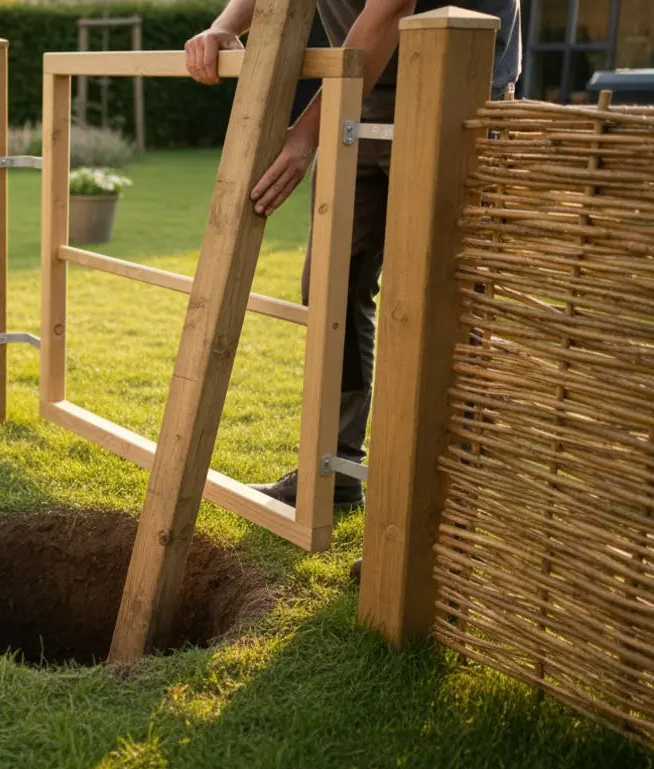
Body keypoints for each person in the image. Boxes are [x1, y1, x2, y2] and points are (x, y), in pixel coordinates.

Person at [184, 0, 522, 511]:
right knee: (330, 288)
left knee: (446, 303)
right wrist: (225, 26)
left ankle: (443, 503)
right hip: (360, 95)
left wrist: (304, 136)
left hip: (459, 91)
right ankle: (336, 469)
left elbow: (390, 9)